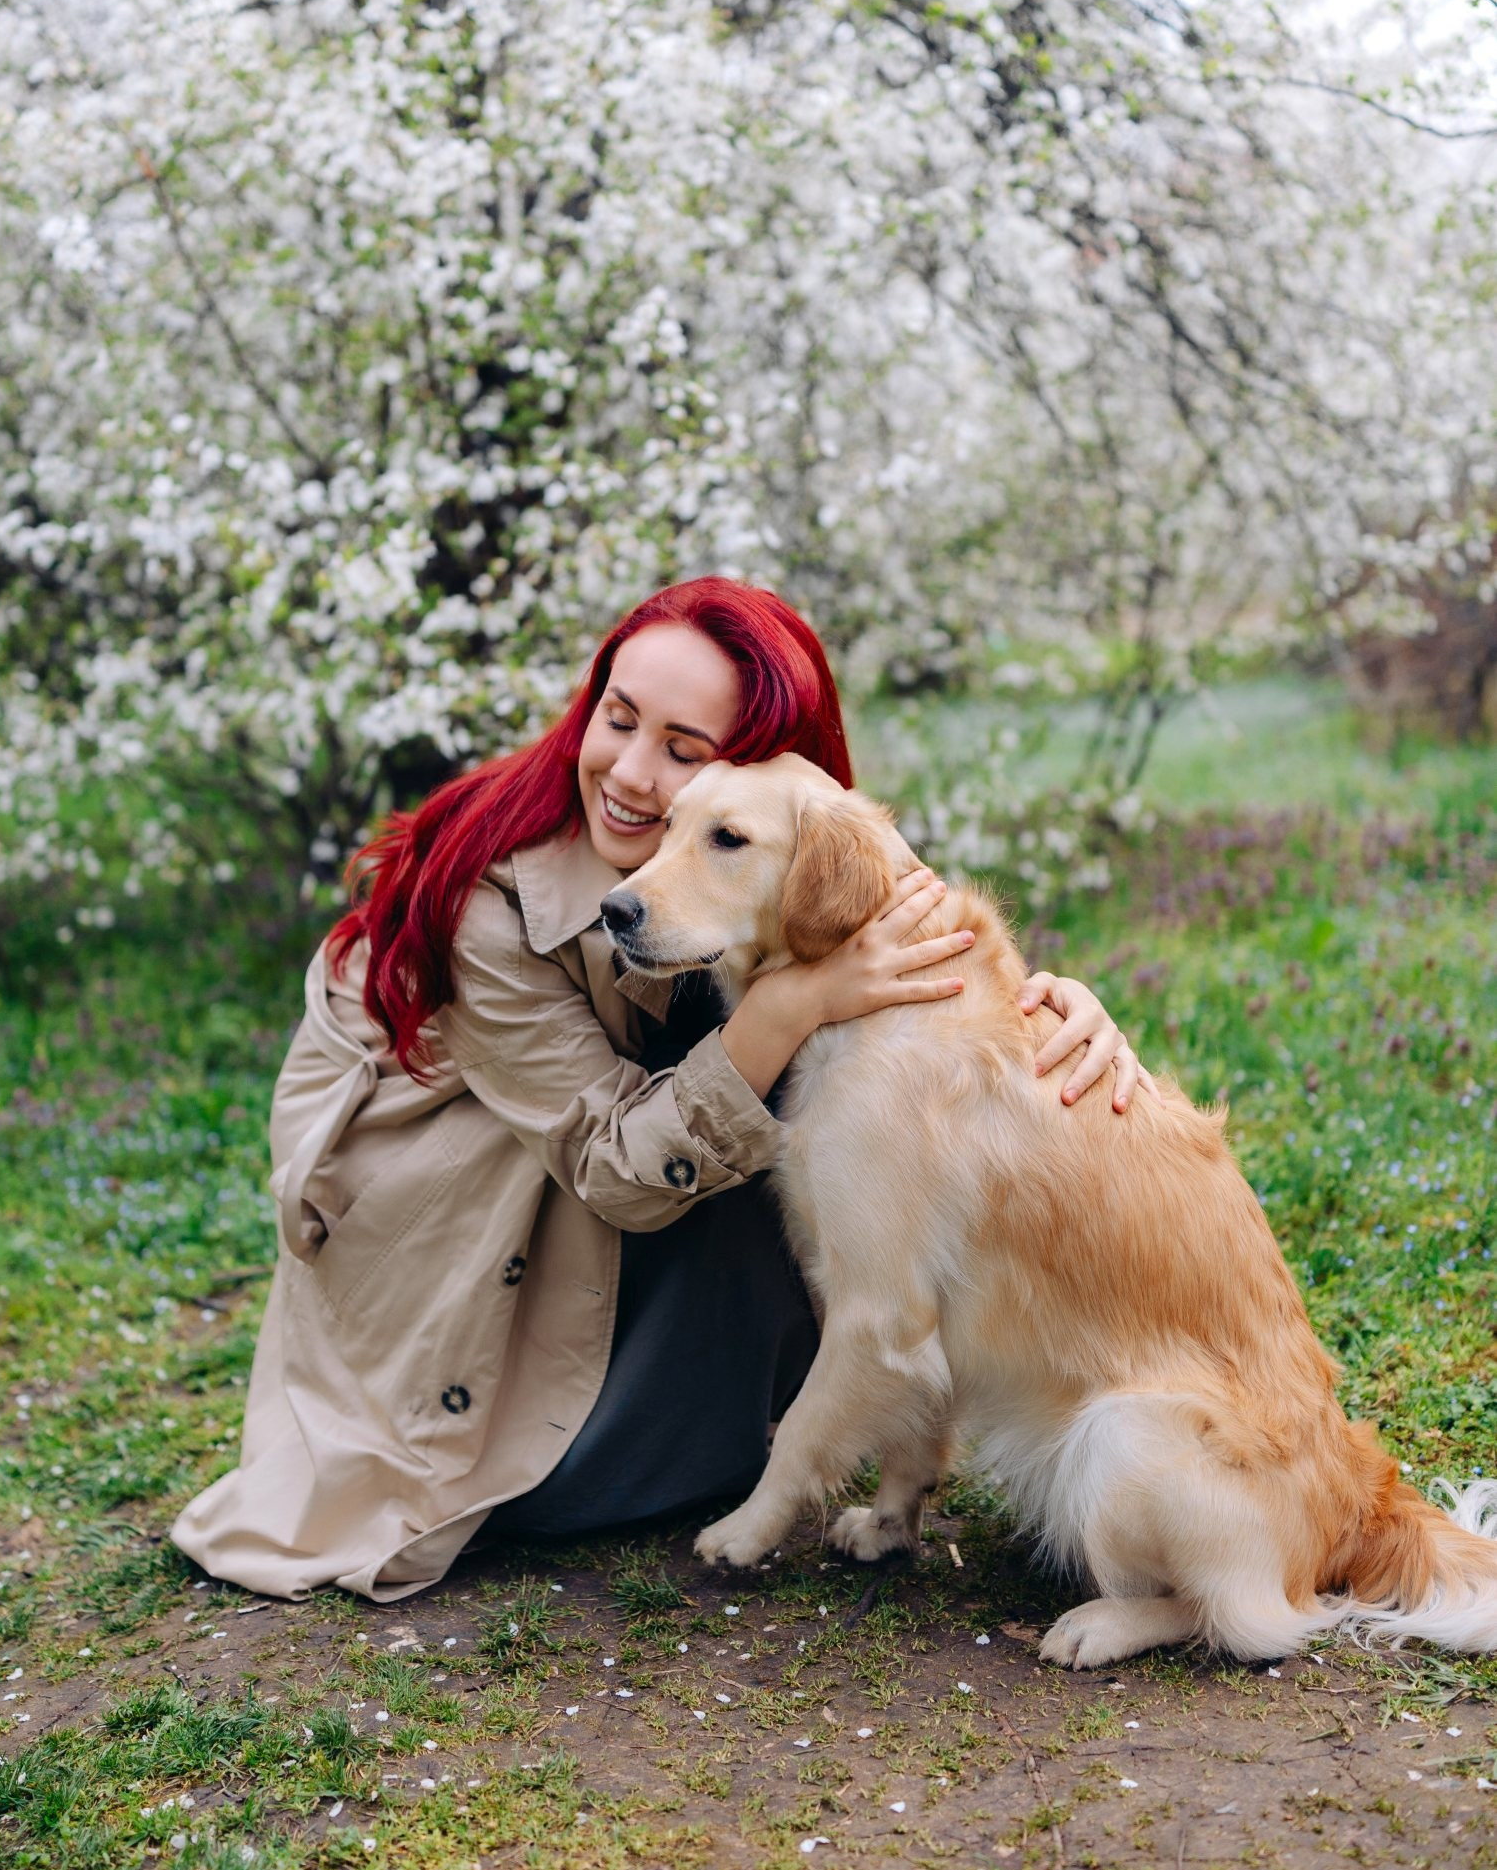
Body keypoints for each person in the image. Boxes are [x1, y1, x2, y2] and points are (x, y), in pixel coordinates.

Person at [172, 579, 1144, 1603]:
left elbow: (922, 970)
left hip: (618, 1204)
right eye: (617, 716)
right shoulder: (486, 901)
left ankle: (769, 1410)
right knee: (790, 1146)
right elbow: (616, 1167)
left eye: (684, 750)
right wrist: (790, 1004)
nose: (631, 774)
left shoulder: (754, 846)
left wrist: (1056, 1008)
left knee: (855, 1133)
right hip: (461, 1292)